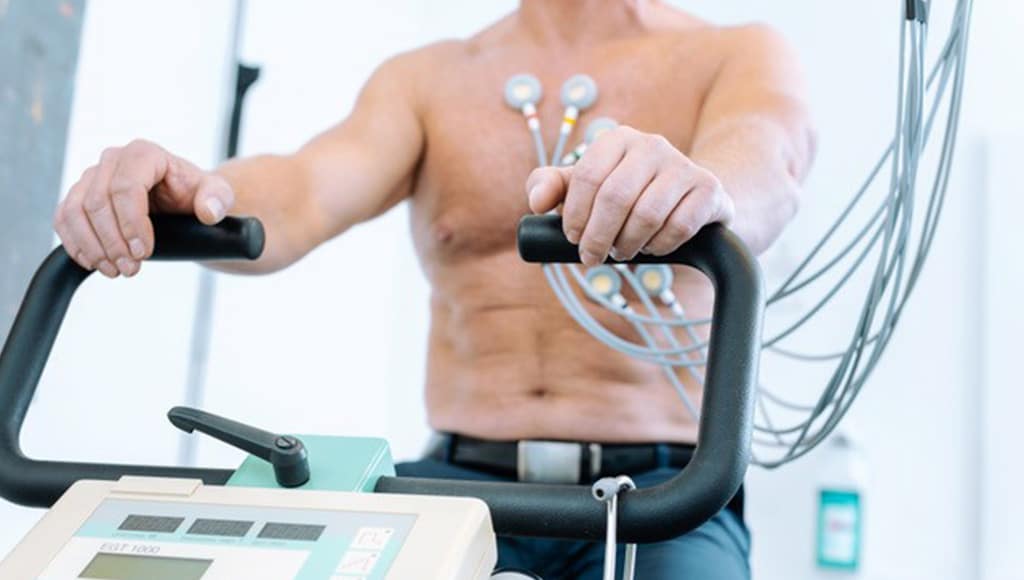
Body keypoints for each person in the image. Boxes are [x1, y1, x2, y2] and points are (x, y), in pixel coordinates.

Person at [52, 1, 815, 577]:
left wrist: (698, 190)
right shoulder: (430, 78)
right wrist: (192, 194)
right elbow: (302, 191)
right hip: (456, 478)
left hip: (660, 493)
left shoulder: (732, 53)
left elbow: (767, 165)